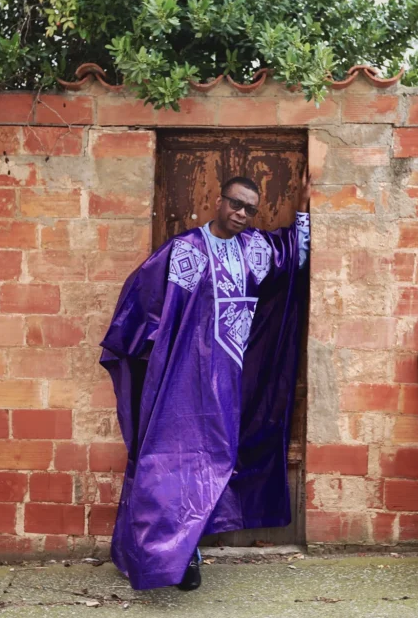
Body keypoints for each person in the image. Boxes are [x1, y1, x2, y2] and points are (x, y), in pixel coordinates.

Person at [99, 172, 311, 591]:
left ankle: (187, 547)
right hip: (183, 380)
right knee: (170, 462)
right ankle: (171, 557)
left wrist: (303, 209)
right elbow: (142, 300)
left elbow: (294, 257)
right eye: (236, 204)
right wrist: (142, 355)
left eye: (251, 209)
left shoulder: (255, 249)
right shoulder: (185, 251)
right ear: (219, 200)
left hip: (231, 380)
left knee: (216, 461)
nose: (241, 214)